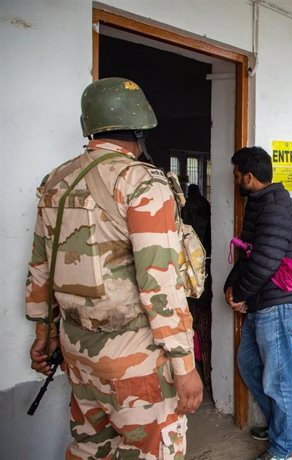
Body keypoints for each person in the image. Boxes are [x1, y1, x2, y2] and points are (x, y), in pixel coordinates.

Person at [26, 77, 202, 459]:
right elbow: (161, 285)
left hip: (76, 350)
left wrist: (44, 333)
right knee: (154, 449)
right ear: (140, 129)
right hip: (133, 357)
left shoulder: (55, 181)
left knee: (91, 449)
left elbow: (40, 267)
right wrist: (184, 364)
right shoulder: (141, 182)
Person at [224, 146, 292, 460]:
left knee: (279, 378)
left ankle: (284, 448)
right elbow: (248, 253)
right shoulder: (259, 203)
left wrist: (240, 293)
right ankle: (281, 427)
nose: (234, 180)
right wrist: (231, 287)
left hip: (279, 303)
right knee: (248, 362)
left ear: (248, 176)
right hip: (264, 301)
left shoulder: (274, 205)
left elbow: (265, 261)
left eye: (236, 175)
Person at [182, 183, 213, 388]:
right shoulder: (206, 205)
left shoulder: (186, 207)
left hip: (190, 256)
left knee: (192, 302)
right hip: (204, 256)